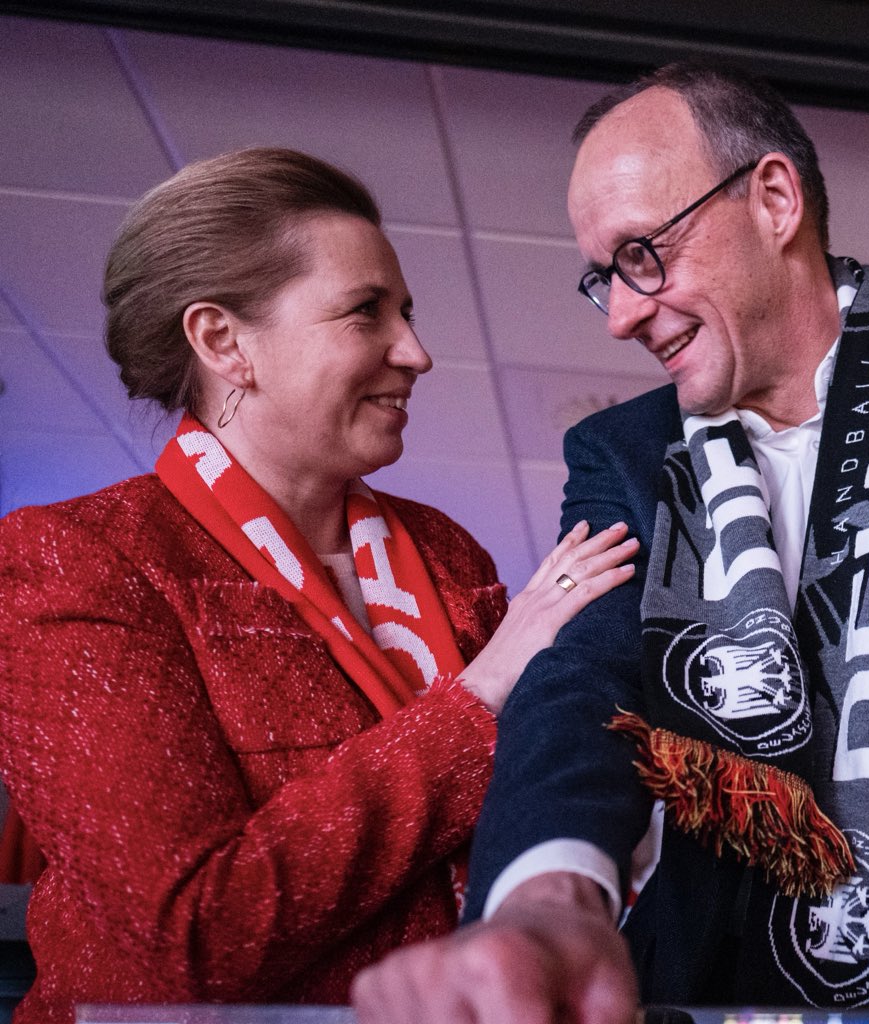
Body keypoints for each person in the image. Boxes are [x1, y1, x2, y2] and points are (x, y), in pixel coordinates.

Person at [351, 62, 869, 1022]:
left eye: (642, 254)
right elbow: (583, 683)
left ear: (775, 199)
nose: (622, 314)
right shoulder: (623, 455)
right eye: (604, 278)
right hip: (728, 990)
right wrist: (549, 897)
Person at [0, 147, 639, 1024]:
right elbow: (192, 937)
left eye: (406, 312)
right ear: (224, 341)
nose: (414, 351)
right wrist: (480, 694)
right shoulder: (78, 559)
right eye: (364, 312)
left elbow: (538, 806)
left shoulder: (446, 555)